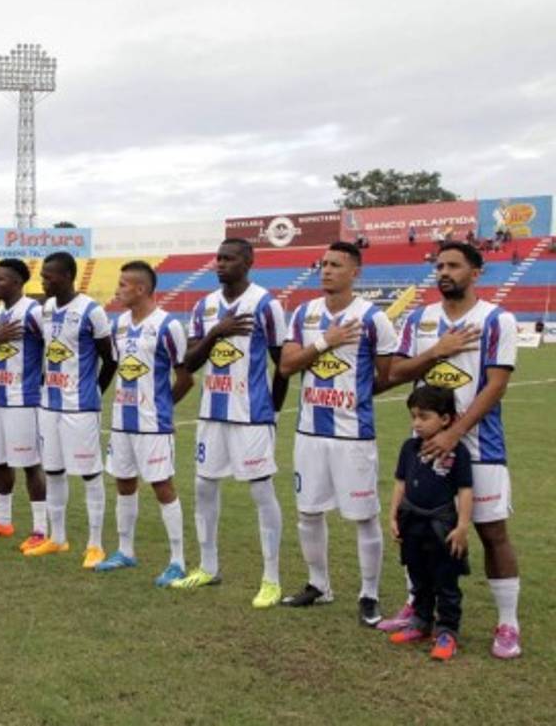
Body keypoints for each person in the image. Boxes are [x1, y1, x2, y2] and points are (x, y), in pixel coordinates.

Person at [384, 240, 522, 659]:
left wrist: (454, 433)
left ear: (476, 272)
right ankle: (418, 609)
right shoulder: (420, 319)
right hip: (426, 451)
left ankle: (508, 623)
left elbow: (495, 386)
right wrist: (436, 351)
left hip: (481, 448)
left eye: (454, 265)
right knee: (419, 530)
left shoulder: (498, 320)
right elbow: (396, 371)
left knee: (492, 533)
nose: (444, 272)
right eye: (439, 265)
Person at [277, 241, 396, 626]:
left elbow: (387, 375)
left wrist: (356, 394)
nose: (326, 270)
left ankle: (369, 594)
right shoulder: (303, 313)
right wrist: (326, 340)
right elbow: (286, 366)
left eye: (335, 265)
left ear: (355, 272)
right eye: (323, 264)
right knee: (308, 512)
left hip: (353, 434)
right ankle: (318, 585)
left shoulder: (373, 319)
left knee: (363, 516)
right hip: (310, 431)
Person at [171, 238, 290, 610]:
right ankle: (208, 566)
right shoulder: (205, 306)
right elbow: (188, 363)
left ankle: (271, 579)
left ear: (248, 261)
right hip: (211, 414)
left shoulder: (266, 305)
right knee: (204, 486)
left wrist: (272, 411)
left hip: (252, 415)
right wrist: (216, 332)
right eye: (218, 258)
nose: (220, 264)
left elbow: (282, 365)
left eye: (229, 258)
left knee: (260, 492)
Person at [95, 261, 193, 584]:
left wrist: (162, 408)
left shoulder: (168, 326)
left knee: (162, 486)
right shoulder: (119, 323)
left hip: (153, 425)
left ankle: (177, 560)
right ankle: (126, 551)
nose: (117, 290)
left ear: (141, 289)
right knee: (123, 482)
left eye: (123, 285)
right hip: (122, 422)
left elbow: (185, 378)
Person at [26, 251, 116, 568]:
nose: (44, 281)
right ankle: (58, 538)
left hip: (80, 407)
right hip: (49, 404)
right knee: (53, 471)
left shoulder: (92, 311)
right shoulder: (46, 309)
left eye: (49, 276)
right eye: (43, 276)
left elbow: (111, 359)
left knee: (90, 474)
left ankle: (95, 545)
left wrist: (94, 391)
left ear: (67, 276)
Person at [387, 386, 473, 661]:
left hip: (442, 526)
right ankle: (421, 622)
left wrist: (462, 527)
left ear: (446, 419)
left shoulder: (458, 453)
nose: (416, 423)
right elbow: (400, 483)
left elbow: (465, 491)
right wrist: (393, 515)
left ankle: (447, 631)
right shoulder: (408, 448)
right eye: (413, 417)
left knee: (445, 582)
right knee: (418, 576)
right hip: (411, 522)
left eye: (424, 417)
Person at [0, 258, 48, 548]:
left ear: (17, 283)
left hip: (25, 400)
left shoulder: (34, 312)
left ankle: (40, 530)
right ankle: (2, 522)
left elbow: (55, 347)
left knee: (30, 464)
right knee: (0, 462)